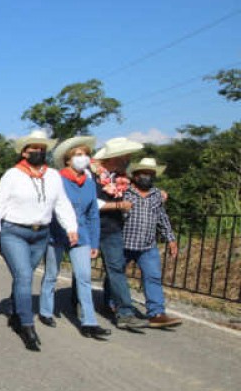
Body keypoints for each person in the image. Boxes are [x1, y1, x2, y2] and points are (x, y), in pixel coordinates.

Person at [0, 129, 78, 351]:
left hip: (41, 233)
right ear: (24, 152)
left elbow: (61, 203)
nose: (39, 152)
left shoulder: (52, 176)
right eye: (34, 148)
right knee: (23, 275)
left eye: (42, 149)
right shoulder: (12, 175)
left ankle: (14, 311)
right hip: (14, 232)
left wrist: (71, 227)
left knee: (25, 276)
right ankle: (26, 324)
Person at [39, 136, 111, 339]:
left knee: (84, 278)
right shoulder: (57, 179)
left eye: (86, 154)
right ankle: (46, 310)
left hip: (82, 235)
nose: (84, 158)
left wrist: (94, 241)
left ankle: (89, 322)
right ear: (68, 160)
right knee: (51, 273)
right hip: (57, 233)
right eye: (78, 155)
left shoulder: (89, 183)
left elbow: (93, 214)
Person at [91, 137, 149, 331]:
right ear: (115, 157)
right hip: (91, 227)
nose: (129, 159)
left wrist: (160, 192)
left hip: (113, 229)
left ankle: (125, 312)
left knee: (116, 269)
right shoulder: (92, 176)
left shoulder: (122, 178)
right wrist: (117, 205)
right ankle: (80, 305)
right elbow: (92, 203)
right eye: (126, 155)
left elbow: (140, 191)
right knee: (82, 272)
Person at [123, 158, 181, 328]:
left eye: (150, 174)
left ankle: (156, 313)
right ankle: (113, 303)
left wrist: (170, 239)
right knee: (117, 276)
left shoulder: (157, 195)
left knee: (153, 277)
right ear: (135, 175)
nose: (147, 177)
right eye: (143, 174)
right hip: (123, 243)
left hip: (148, 245)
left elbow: (162, 218)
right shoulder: (124, 191)